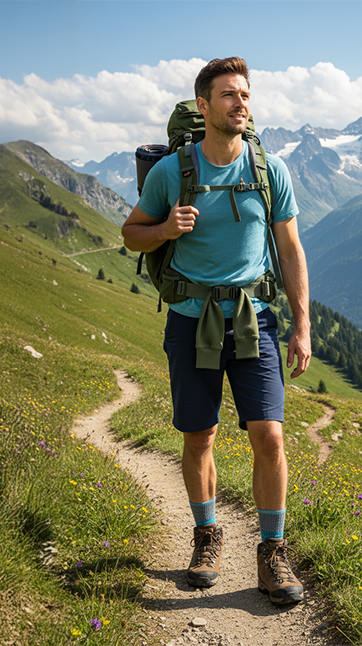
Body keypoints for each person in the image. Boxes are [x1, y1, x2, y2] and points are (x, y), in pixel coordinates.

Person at [121, 57, 311, 605]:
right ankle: (207, 537)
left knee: (269, 435)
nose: (240, 103)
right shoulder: (172, 172)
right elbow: (132, 235)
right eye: (228, 95)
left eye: (245, 94)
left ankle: (272, 551)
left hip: (255, 321)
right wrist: (164, 228)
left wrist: (302, 325)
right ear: (203, 106)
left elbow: (291, 250)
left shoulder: (270, 170)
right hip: (190, 322)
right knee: (199, 435)